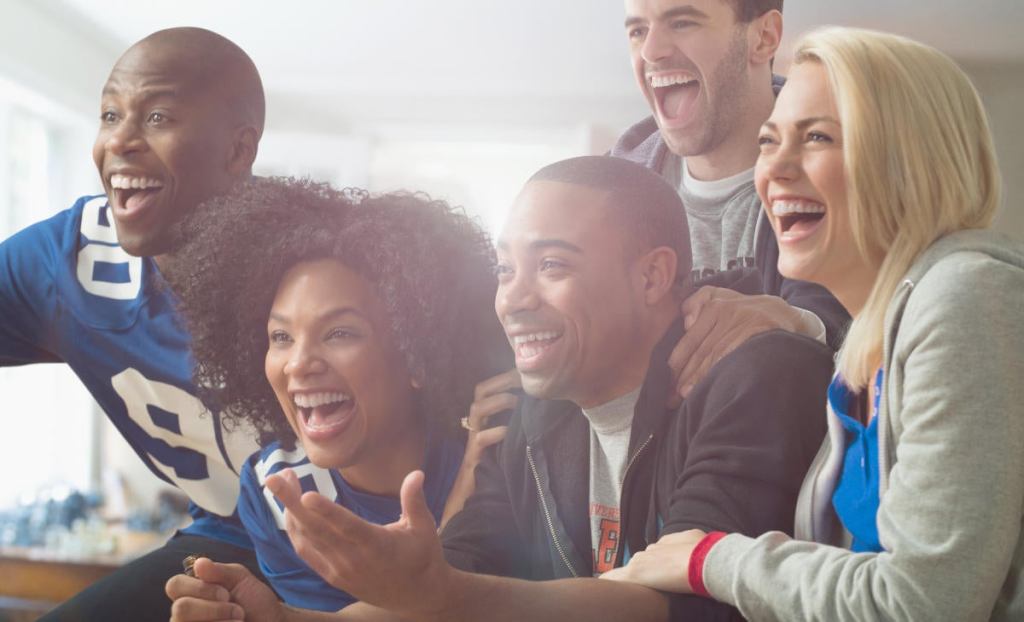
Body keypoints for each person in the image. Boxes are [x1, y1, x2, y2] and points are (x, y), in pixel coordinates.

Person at [167, 156, 834, 622]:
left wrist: (439, 595)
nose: (513, 298)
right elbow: (460, 573)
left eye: (550, 266)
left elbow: (688, 606)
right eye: (507, 268)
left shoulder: (751, 374)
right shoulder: (535, 408)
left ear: (654, 277)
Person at [602, 27, 1024, 621]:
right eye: (768, 142)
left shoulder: (965, 296)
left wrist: (709, 560)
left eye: (818, 137)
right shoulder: (864, 345)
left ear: (911, 158)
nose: (776, 170)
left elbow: (924, 603)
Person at [0, 27, 266, 620]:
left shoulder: (316, 268)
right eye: (110, 114)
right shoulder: (65, 260)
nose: (119, 140)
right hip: (231, 539)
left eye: (158, 116)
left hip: (367, 546)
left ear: (238, 151)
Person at [159, 178, 508, 615]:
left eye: (339, 333)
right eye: (281, 336)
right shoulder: (275, 490)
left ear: (417, 356)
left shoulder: (490, 455)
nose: (299, 363)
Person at [613, 0, 848, 399]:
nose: (651, 51)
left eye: (682, 22)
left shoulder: (844, 169)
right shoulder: (606, 199)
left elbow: (883, 318)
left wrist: (802, 326)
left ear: (764, 37)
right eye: (637, 31)